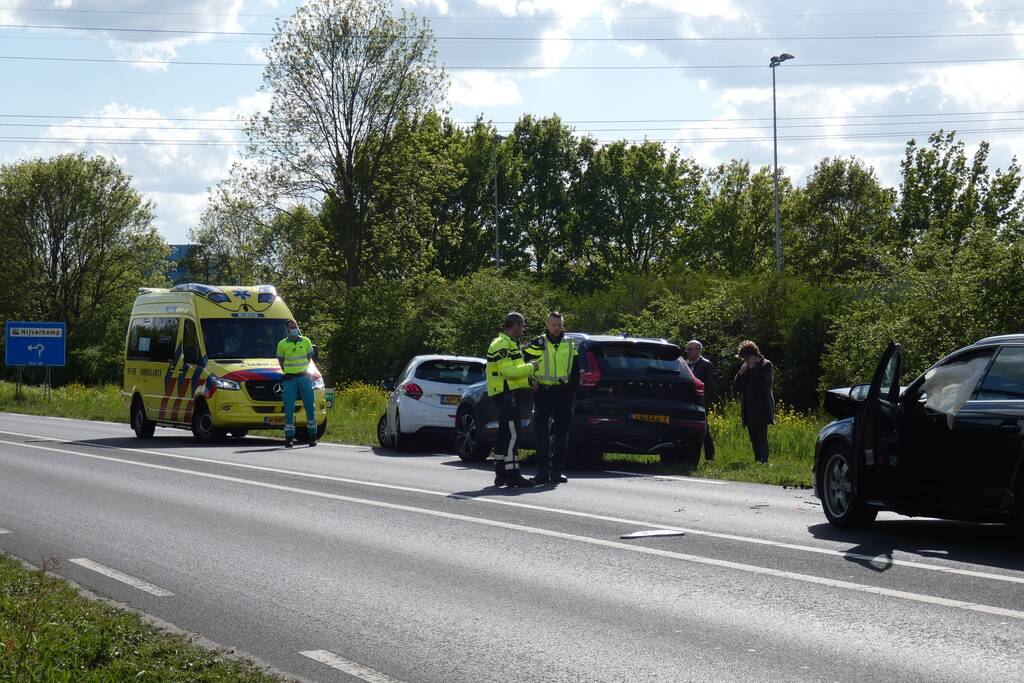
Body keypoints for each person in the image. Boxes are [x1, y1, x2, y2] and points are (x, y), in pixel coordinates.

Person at [486, 312, 539, 488]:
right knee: (513, 434)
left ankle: (501, 473)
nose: (523, 329)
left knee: (504, 434)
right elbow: (508, 372)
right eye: (522, 326)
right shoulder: (502, 345)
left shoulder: (510, 344)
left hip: (509, 392)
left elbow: (515, 371)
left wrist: (530, 382)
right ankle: (513, 474)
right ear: (515, 325)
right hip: (505, 394)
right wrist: (533, 367)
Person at [524, 311, 578, 485]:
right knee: (542, 434)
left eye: (560, 325)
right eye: (554, 325)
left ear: (563, 325)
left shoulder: (570, 343)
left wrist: (572, 389)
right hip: (544, 393)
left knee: (562, 435)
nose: (557, 328)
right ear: (547, 325)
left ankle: (556, 471)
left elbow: (576, 368)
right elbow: (522, 361)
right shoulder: (537, 343)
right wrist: (530, 381)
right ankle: (542, 471)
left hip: (563, 393)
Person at [276, 319, 317, 449]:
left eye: (295, 326)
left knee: (310, 406)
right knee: (289, 408)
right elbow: (281, 361)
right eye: (291, 327)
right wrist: (288, 372)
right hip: (289, 379)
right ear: (287, 330)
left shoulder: (306, 341)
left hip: (304, 377)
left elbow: (309, 358)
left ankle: (312, 436)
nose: (293, 329)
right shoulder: (282, 344)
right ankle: (289, 438)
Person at [733, 340, 775, 463]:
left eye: (745, 358)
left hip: (762, 407)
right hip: (748, 408)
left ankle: (764, 460)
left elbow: (763, 383)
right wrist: (741, 373)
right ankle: (757, 459)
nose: (744, 361)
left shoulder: (766, 364)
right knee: (753, 437)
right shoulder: (745, 367)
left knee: (761, 436)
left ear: (752, 355)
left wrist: (753, 368)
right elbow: (736, 385)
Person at [684, 339, 715, 463]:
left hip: (700, 403)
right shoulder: (686, 364)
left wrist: (705, 404)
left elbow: (710, 386)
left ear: (698, 350)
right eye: (687, 349)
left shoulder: (706, 364)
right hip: (687, 403)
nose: (688, 352)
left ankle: (709, 457)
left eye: (691, 349)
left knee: (704, 430)